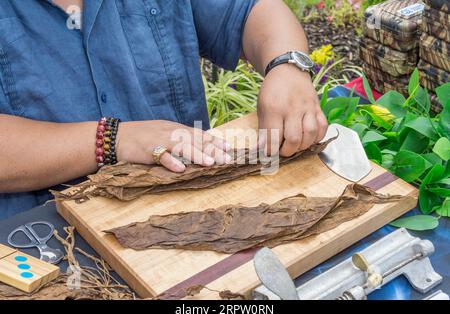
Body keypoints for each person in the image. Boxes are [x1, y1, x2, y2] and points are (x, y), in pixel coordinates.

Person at [0, 0, 328, 218]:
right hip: (47, 242)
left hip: (195, 205)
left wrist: (287, 64)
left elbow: (251, 12)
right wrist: (113, 139)